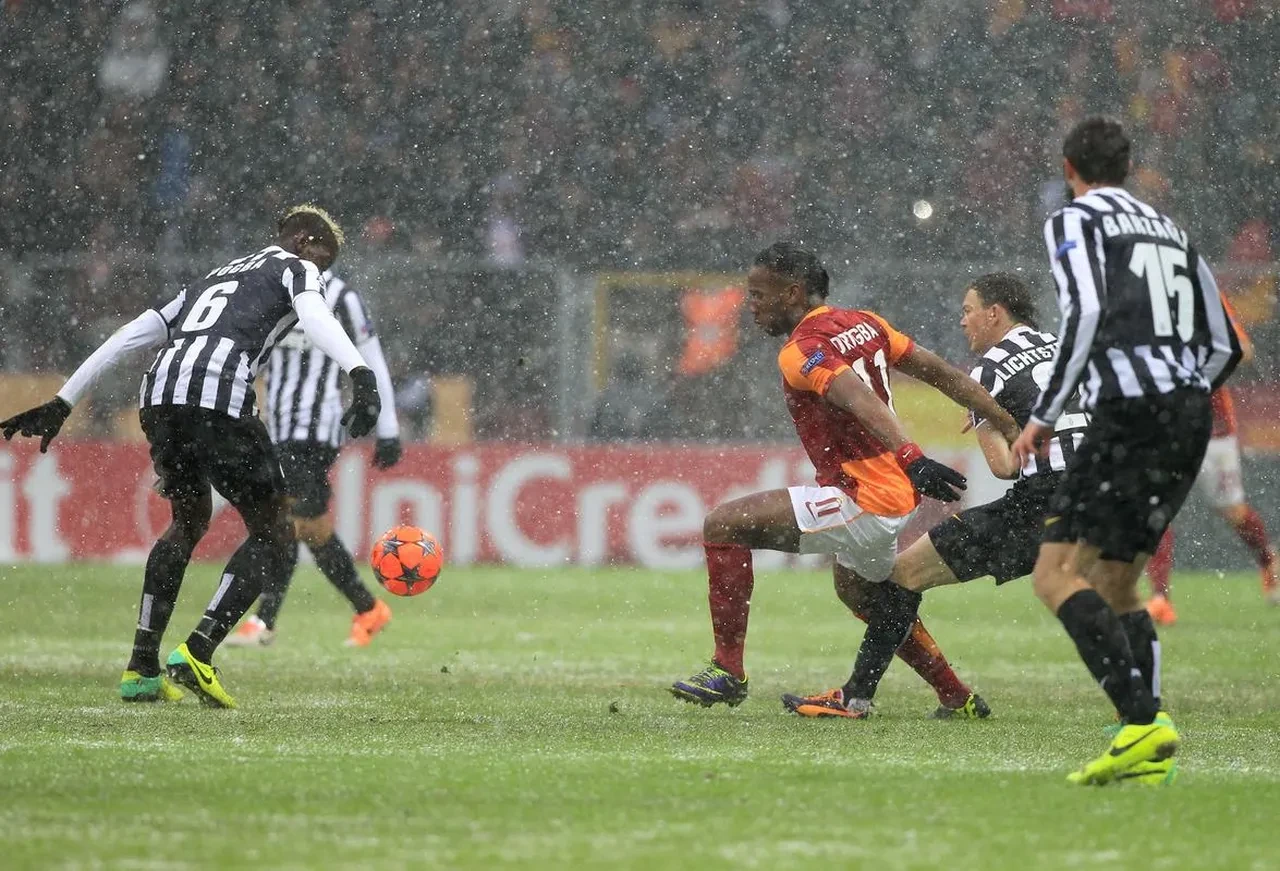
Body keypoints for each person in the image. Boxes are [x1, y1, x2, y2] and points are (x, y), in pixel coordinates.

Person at [1, 205, 382, 709]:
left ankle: (141, 667)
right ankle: (198, 651)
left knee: (187, 521)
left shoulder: (208, 280)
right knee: (275, 532)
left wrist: (63, 401)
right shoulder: (296, 267)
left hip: (160, 397)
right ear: (305, 240)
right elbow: (315, 317)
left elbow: (128, 336)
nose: (323, 270)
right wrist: (360, 373)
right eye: (323, 258)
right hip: (219, 395)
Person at [669, 243, 1020, 709]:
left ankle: (727, 670)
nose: (750, 305)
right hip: (892, 492)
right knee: (861, 592)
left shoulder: (801, 350)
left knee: (724, 526)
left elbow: (857, 398)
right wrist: (1008, 424)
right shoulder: (867, 324)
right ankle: (956, 695)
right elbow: (942, 374)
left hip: (864, 496)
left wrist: (913, 457)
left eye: (758, 295)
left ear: (792, 293)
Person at [1011, 118, 1242, 785]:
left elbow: (1084, 312)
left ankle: (1141, 721)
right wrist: (1181, 395)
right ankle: (1148, 746)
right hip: (1189, 414)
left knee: (1055, 574)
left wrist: (1046, 414)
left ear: (1069, 169)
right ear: (1127, 167)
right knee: (1117, 580)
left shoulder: (1074, 219)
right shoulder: (1171, 231)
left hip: (1129, 412)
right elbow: (1225, 344)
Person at [780, 272, 1090, 719]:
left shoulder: (988, 372)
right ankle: (1138, 707)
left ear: (995, 313)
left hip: (1046, 500)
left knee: (903, 576)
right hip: (1106, 489)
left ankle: (856, 698)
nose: (962, 322)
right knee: (1102, 590)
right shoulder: (1064, 347)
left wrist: (988, 420)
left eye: (968, 311)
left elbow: (1004, 467)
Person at [226, 269, 402, 648]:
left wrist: (388, 427)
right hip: (279, 427)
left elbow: (372, 358)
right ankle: (367, 607)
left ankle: (264, 620)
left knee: (289, 520)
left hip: (318, 428)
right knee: (304, 525)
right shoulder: (276, 291)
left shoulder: (342, 297)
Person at [1145, 319, 1278, 624]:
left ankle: (1268, 560)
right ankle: (1160, 598)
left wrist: (1192, 359)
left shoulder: (1204, 299)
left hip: (1212, 427)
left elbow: (1242, 349)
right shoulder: (1143, 300)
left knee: (1232, 510)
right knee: (1157, 508)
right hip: (1166, 425)